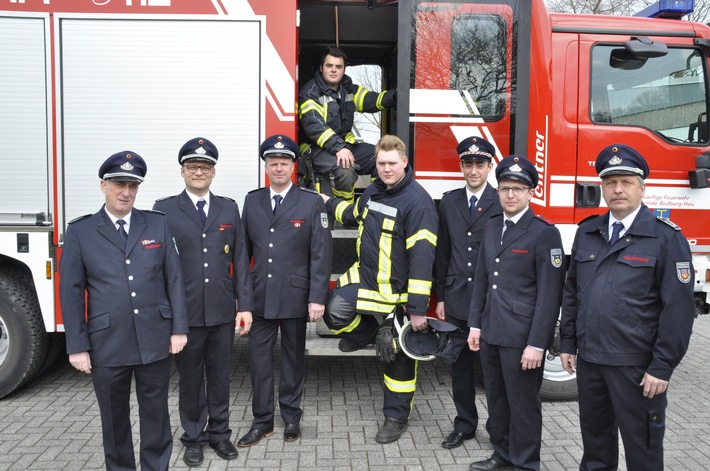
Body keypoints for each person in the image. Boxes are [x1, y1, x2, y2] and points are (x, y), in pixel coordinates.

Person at [559, 144, 695, 471]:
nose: (618, 189)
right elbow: (573, 292)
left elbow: (678, 311)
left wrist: (662, 367)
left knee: (643, 453)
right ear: (601, 187)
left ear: (642, 188)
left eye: (627, 182)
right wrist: (567, 343)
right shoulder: (588, 233)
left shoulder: (665, 238)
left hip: (636, 366)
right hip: (591, 362)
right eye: (610, 182)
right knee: (595, 449)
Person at [60, 151, 189, 471]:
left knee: (156, 415)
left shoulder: (156, 223)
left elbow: (174, 278)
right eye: (119, 184)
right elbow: (72, 292)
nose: (126, 192)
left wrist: (178, 328)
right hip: (107, 342)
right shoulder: (81, 231)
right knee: (114, 419)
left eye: (132, 185)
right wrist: (77, 345)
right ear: (103, 185)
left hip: (154, 339)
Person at [321, 134, 438, 444]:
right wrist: (328, 203)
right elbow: (352, 214)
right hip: (367, 280)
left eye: (391, 164)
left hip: (397, 294)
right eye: (381, 163)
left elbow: (423, 261)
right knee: (333, 313)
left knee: (398, 359)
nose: (386, 169)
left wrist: (415, 310)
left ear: (404, 163)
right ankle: (367, 332)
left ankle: (396, 417)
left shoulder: (418, 202)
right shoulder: (373, 190)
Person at [153, 137, 253, 466]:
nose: (199, 171)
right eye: (193, 166)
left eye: (205, 167)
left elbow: (239, 258)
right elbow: (157, 267)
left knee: (221, 376)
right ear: (182, 171)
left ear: (213, 172)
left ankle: (220, 435)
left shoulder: (228, 207)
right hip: (186, 313)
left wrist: (245, 306)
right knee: (191, 378)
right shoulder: (164, 209)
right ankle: (193, 437)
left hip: (222, 311)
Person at [467, 155, 565, 471]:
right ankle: (502, 454)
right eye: (506, 188)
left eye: (519, 189)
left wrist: (537, 343)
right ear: (497, 191)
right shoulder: (492, 226)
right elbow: (482, 280)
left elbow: (550, 296)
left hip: (522, 338)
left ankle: (525, 463)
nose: (511, 195)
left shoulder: (544, 233)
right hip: (492, 331)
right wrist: (475, 325)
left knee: (523, 404)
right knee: (497, 400)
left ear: (531, 192)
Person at [237, 134, 332, 447]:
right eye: (272, 162)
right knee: (259, 361)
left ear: (293, 165)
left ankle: (291, 416)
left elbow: (321, 253)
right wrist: (243, 300)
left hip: (295, 295)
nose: (278, 168)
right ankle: (262, 420)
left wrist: (317, 297)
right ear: (266, 166)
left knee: (293, 359)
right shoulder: (252, 200)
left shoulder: (310, 202)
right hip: (260, 295)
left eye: (284, 162)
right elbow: (242, 254)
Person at [434, 136, 502, 450]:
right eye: (468, 164)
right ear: (461, 166)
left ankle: (500, 431)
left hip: (492, 300)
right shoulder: (448, 202)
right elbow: (442, 252)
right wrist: (442, 296)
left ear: (490, 166)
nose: (473, 170)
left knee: (493, 370)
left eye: (480, 164)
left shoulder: (503, 200)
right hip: (459, 297)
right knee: (460, 368)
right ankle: (465, 425)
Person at [298, 46, 396, 202]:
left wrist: (397, 95)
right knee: (345, 169)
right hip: (315, 147)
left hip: (343, 144)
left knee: (382, 159)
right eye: (329, 66)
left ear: (344, 69)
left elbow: (373, 100)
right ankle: (345, 212)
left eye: (338, 66)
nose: (333, 70)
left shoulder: (348, 90)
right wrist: (339, 148)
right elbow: (314, 126)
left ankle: (373, 206)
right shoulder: (310, 93)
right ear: (321, 67)